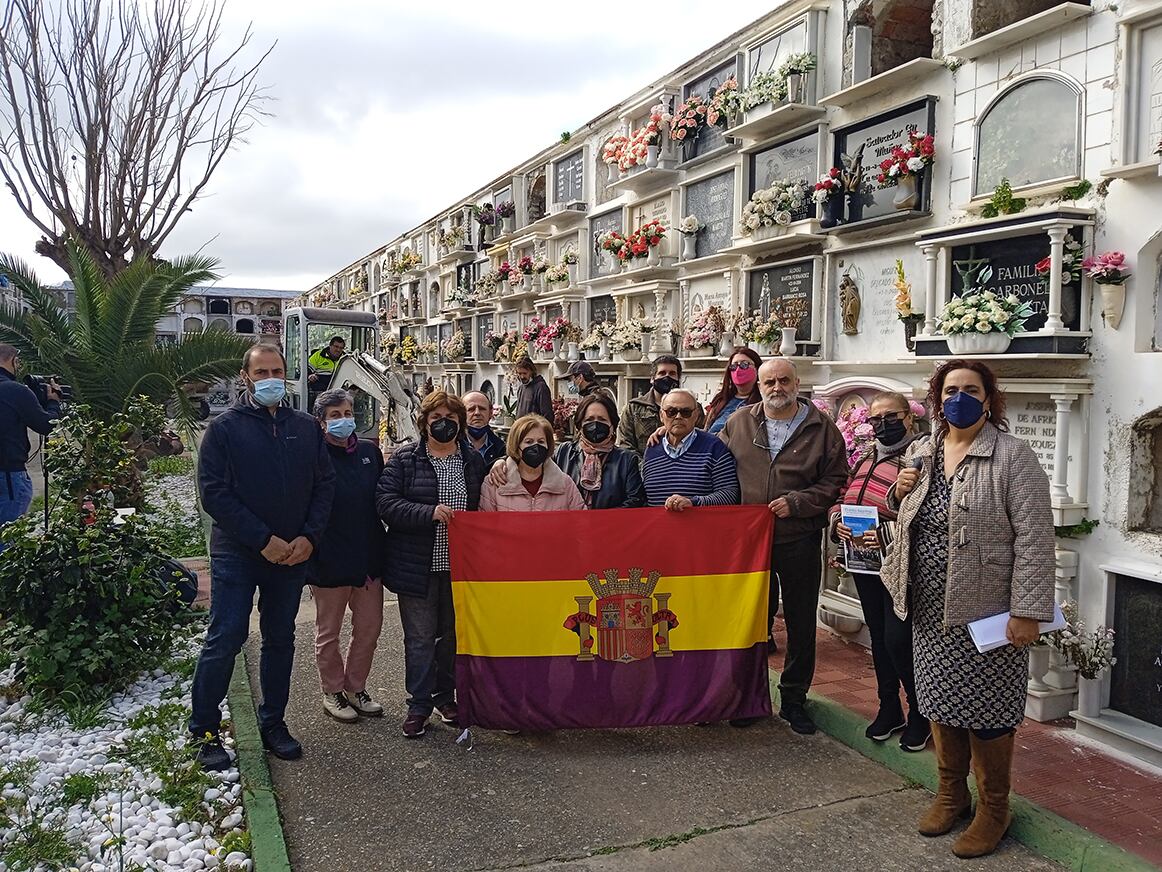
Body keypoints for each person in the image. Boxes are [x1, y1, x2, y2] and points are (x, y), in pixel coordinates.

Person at [883, 360, 1054, 859]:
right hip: (928, 602)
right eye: (950, 389)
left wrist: (1027, 610)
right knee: (938, 701)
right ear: (938, 399)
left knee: (989, 709)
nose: (959, 397)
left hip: (987, 612)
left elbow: (1036, 539)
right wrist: (899, 490)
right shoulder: (924, 450)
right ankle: (951, 793)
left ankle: (994, 808)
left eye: (970, 389)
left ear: (988, 398)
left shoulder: (1012, 458)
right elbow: (905, 513)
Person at [192, 344, 336, 769]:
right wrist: (262, 539)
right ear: (246, 376)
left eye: (277, 370)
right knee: (227, 637)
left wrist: (309, 537)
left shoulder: (306, 427)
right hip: (239, 552)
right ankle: (204, 730)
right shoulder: (224, 429)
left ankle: (273, 722)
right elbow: (214, 493)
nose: (270, 378)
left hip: (293, 554)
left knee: (280, 639)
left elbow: (324, 486)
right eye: (261, 372)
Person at [719, 359, 848, 735]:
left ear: (797, 382)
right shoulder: (739, 422)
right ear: (758, 385)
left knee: (800, 621)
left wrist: (799, 502)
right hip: (750, 543)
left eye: (784, 381)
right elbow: (710, 458)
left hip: (798, 538)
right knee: (751, 621)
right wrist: (668, 434)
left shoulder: (821, 428)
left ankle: (794, 698)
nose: (777, 388)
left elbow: (836, 478)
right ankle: (750, 696)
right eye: (769, 381)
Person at [376, 390, 485, 739]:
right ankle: (418, 704)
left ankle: (445, 697)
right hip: (417, 565)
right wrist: (428, 513)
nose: (444, 424)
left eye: (451, 419)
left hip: (460, 568)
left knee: (452, 637)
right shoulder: (406, 459)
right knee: (420, 638)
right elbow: (385, 501)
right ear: (424, 423)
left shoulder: (472, 459)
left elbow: (484, 503)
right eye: (436, 418)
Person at [829, 391, 928, 752]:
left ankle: (921, 713)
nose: (882, 425)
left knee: (899, 641)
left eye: (890, 417)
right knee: (879, 640)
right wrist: (838, 520)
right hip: (863, 562)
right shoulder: (867, 457)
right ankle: (890, 708)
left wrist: (882, 534)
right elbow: (844, 496)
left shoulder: (920, 456)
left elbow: (922, 514)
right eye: (875, 420)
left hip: (898, 564)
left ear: (909, 417)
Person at [308, 389, 387, 724]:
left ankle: (357, 687)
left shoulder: (369, 452)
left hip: (368, 558)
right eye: (335, 415)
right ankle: (333, 690)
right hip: (329, 559)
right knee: (329, 632)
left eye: (348, 413)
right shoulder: (313, 457)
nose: (343, 420)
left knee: (369, 628)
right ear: (322, 422)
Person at [489, 395, 645, 509]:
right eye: (589, 420)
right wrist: (503, 460)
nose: (595, 425)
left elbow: (635, 501)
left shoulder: (626, 460)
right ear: (580, 424)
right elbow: (536, 463)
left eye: (602, 420)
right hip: (570, 533)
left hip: (610, 533)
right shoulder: (565, 451)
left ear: (612, 425)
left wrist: (599, 522)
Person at [642, 388, 739, 510]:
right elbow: (643, 498)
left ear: (696, 415)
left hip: (700, 527)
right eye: (671, 412)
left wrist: (693, 502)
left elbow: (730, 494)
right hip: (659, 527)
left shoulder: (714, 447)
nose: (678, 417)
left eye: (685, 412)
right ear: (662, 416)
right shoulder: (652, 449)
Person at [0, 344, 61, 537]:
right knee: (8, 538)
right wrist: (53, 402)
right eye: (17, 362)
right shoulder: (15, 390)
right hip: (8, 474)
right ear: (12, 360)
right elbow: (46, 424)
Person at [480, 414, 585, 511]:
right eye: (528, 442)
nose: (536, 447)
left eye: (541, 441)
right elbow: (485, 525)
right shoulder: (493, 484)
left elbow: (581, 522)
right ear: (516, 446)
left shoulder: (565, 484)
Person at [618, 355, 703, 458]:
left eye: (672, 374)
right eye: (662, 373)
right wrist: (646, 467)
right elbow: (626, 445)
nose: (667, 377)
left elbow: (701, 438)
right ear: (652, 378)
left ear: (678, 378)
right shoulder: (633, 408)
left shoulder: (692, 408)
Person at [705, 347, 763, 436]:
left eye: (744, 364)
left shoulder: (763, 401)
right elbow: (707, 428)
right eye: (734, 366)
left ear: (757, 368)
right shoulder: (721, 399)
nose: (738, 369)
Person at [462, 390, 505, 467]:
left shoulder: (502, 449)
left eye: (482, 409)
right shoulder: (453, 447)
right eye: (471, 409)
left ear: (491, 413)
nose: (477, 413)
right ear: (461, 414)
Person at [513, 356, 552, 421]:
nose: (522, 377)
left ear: (531, 371)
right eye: (520, 373)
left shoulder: (541, 388)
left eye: (525, 373)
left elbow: (547, 415)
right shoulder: (521, 388)